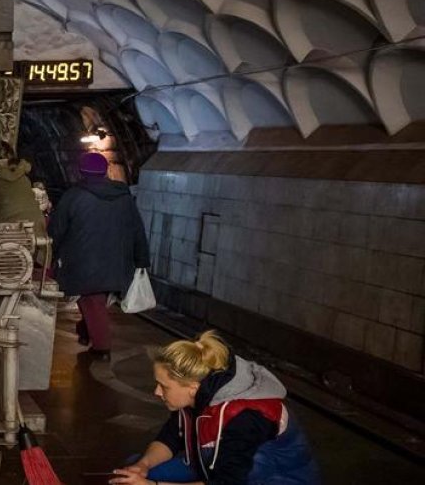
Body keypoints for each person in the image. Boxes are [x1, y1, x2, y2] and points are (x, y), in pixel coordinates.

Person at [111, 331, 321, 485]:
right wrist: (144, 465)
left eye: (164, 386)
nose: (157, 392)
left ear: (192, 387)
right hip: (215, 466)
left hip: (271, 479)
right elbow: (172, 436)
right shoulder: (199, 394)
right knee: (131, 471)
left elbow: (227, 482)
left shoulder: (245, 417)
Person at [47, 151, 149, 357]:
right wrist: (142, 260)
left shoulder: (73, 196)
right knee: (95, 301)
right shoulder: (124, 198)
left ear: (81, 172)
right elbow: (137, 230)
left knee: (92, 302)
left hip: (83, 261)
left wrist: (52, 253)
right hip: (118, 262)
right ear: (105, 171)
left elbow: (56, 230)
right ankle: (86, 331)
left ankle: (102, 348)